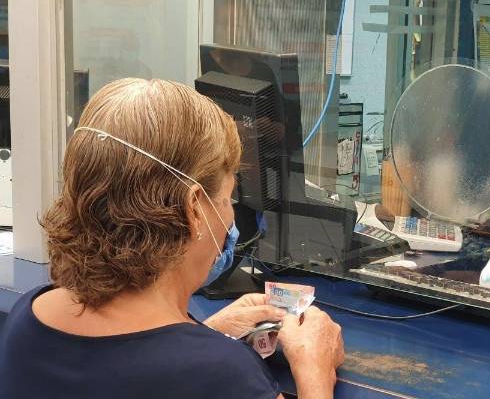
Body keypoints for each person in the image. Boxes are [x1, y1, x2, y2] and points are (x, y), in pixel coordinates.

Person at [0, 79, 344, 398]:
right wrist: (314, 366)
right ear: (194, 208)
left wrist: (206, 331)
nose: (230, 217)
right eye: (227, 197)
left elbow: (127, 367)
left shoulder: (27, 317)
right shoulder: (225, 376)